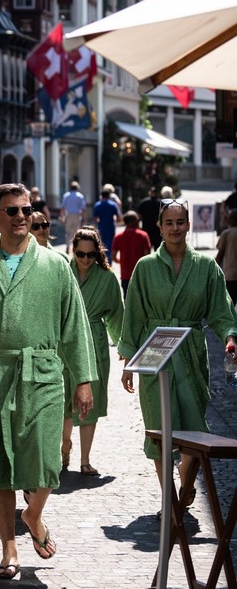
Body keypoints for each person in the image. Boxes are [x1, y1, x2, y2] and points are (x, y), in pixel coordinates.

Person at [0, 184, 95, 581]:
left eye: (25, 210)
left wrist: (83, 379)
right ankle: (8, 548)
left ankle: (33, 514)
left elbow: (74, 326)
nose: (19, 217)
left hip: (43, 373)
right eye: (10, 210)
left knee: (46, 460)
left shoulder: (56, 266)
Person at [118, 199, 237, 500]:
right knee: (159, 430)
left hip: (191, 353)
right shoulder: (145, 268)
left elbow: (221, 311)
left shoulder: (206, 267)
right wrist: (129, 361)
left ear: (188, 224)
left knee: (193, 427)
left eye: (180, 222)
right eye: (168, 222)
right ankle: (168, 499)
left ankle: (185, 487)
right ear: (158, 227)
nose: (175, 228)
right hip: (155, 352)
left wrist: (230, 336)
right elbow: (133, 313)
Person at [62, 228, 124, 477]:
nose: (85, 259)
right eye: (80, 254)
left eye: (90, 255)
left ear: (97, 253)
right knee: (62, 400)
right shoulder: (61, 272)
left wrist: (122, 344)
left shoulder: (107, 279)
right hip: (62, 343)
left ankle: (85, 460)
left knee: (90, 402)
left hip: (93, 343)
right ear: (72, 251)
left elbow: (116, 314)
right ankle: (64, 446)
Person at [111, 211, 151, 296]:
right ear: (134, 221)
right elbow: (148, 256)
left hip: (125, 275)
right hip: (140, 274)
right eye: (137, 219)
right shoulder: (143, 235)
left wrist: (121, 261)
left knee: (127, 300)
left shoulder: (118, 237)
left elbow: (113, 256)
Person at [93, 186, 121, 262]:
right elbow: (118, 218)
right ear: (109, 196)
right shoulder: (113, 205)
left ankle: (102, 260)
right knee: (110, 244)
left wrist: (99, 221)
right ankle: (109, 262)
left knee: (101, 244)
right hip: (110, 226)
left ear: (101, 196)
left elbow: (95, 218)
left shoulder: (97, 205)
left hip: (101, 226)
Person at [216, 209, 237, 306]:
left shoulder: (226, 233)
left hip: (230, 275)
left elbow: (220, 255)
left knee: (230, 305)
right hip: (230, 275)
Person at [60, 181, 86, 253]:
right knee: (76, 232)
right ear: (77, 188)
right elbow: (83, 208)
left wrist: (62, 216)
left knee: (68, 232)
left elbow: (63, 207)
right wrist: (85, 219)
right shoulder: (80, 196)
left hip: (68, 215)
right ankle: (75, 246)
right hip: (77, 215)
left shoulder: (66, 195)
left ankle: (68, 245)